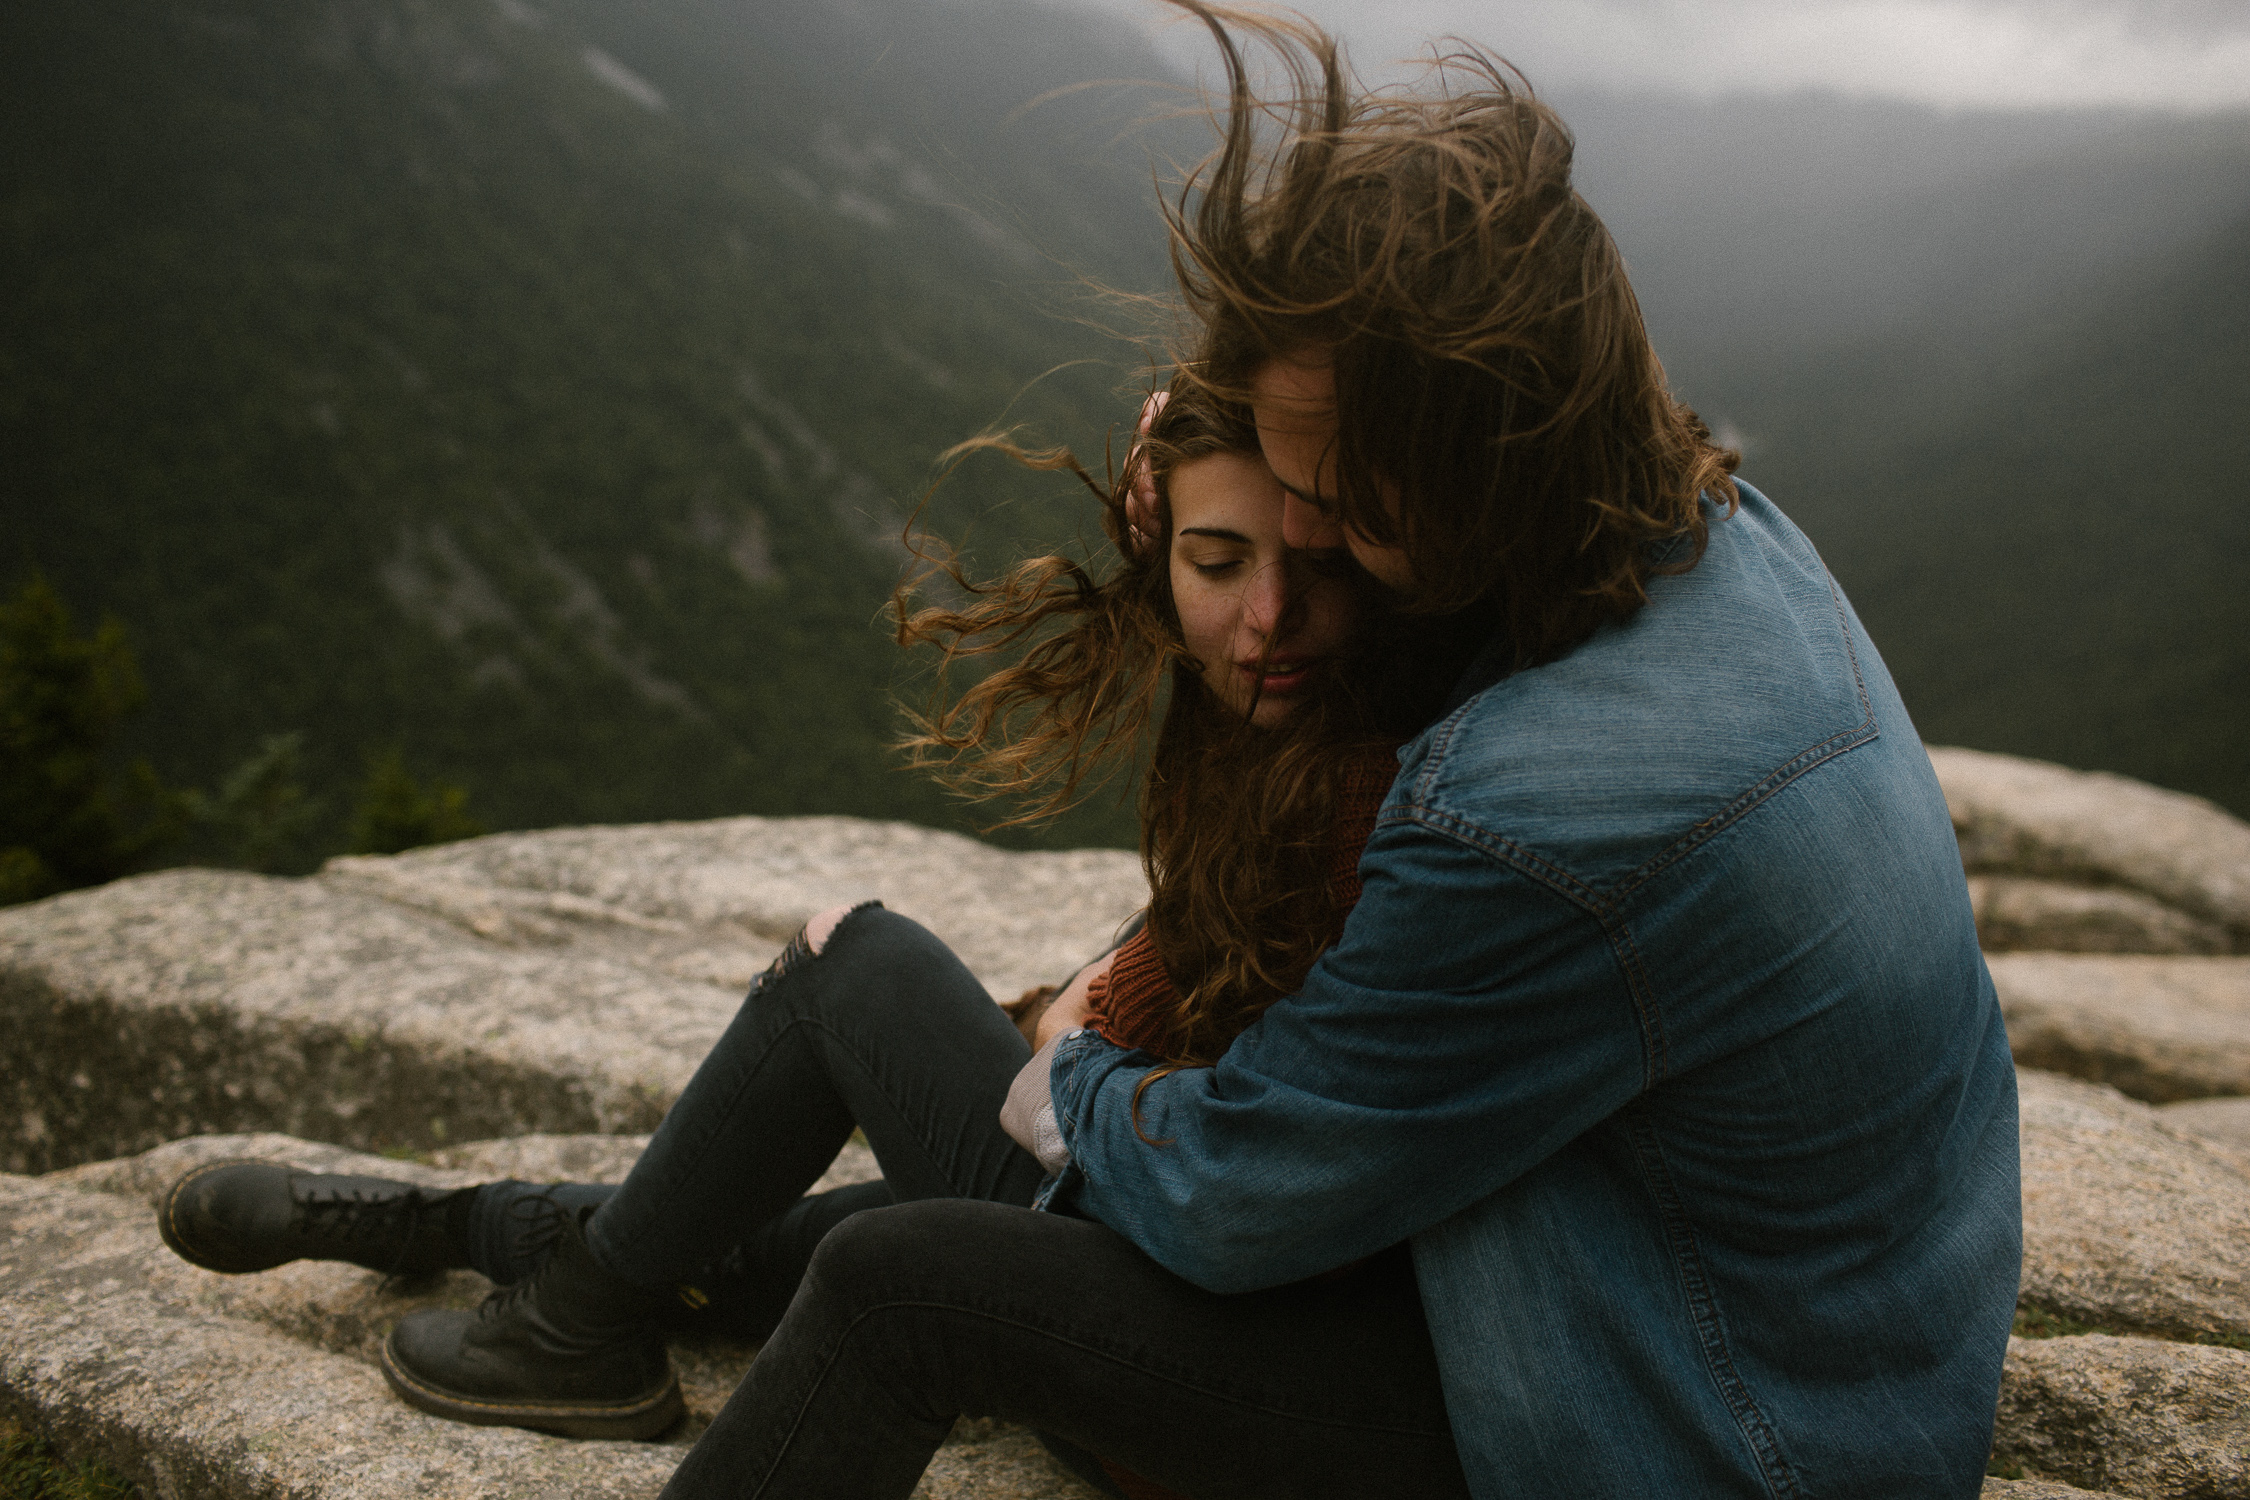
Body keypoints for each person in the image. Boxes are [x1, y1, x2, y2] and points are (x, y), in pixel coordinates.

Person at [640, 8, 2019, 1499]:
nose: (1296, 545)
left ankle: (575, 1283)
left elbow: (1237, 1195)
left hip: (1687, 1437)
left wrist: (1078, 1069)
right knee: (901, 1193)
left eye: (1332, 500)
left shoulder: (1535, 806)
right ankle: (551, 1257)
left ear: (1462, 482)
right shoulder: (1731, 540)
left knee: (902, 1279)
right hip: (1842, 1366)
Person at [154, 380, 1478, 1495]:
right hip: (1170, 1246)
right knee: (741, 1245)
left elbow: (1273, 1143)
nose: (1265, 615)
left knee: (855, 963)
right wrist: (1090, 1014)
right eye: (1213, 561)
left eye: (1313, 567)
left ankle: (560, 1330)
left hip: (1225, 1312)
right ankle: (427, 1226)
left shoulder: (1380, 775)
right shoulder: (1287, 744)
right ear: (1158, 554)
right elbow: (1189, 973)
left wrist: (1077, 1052)